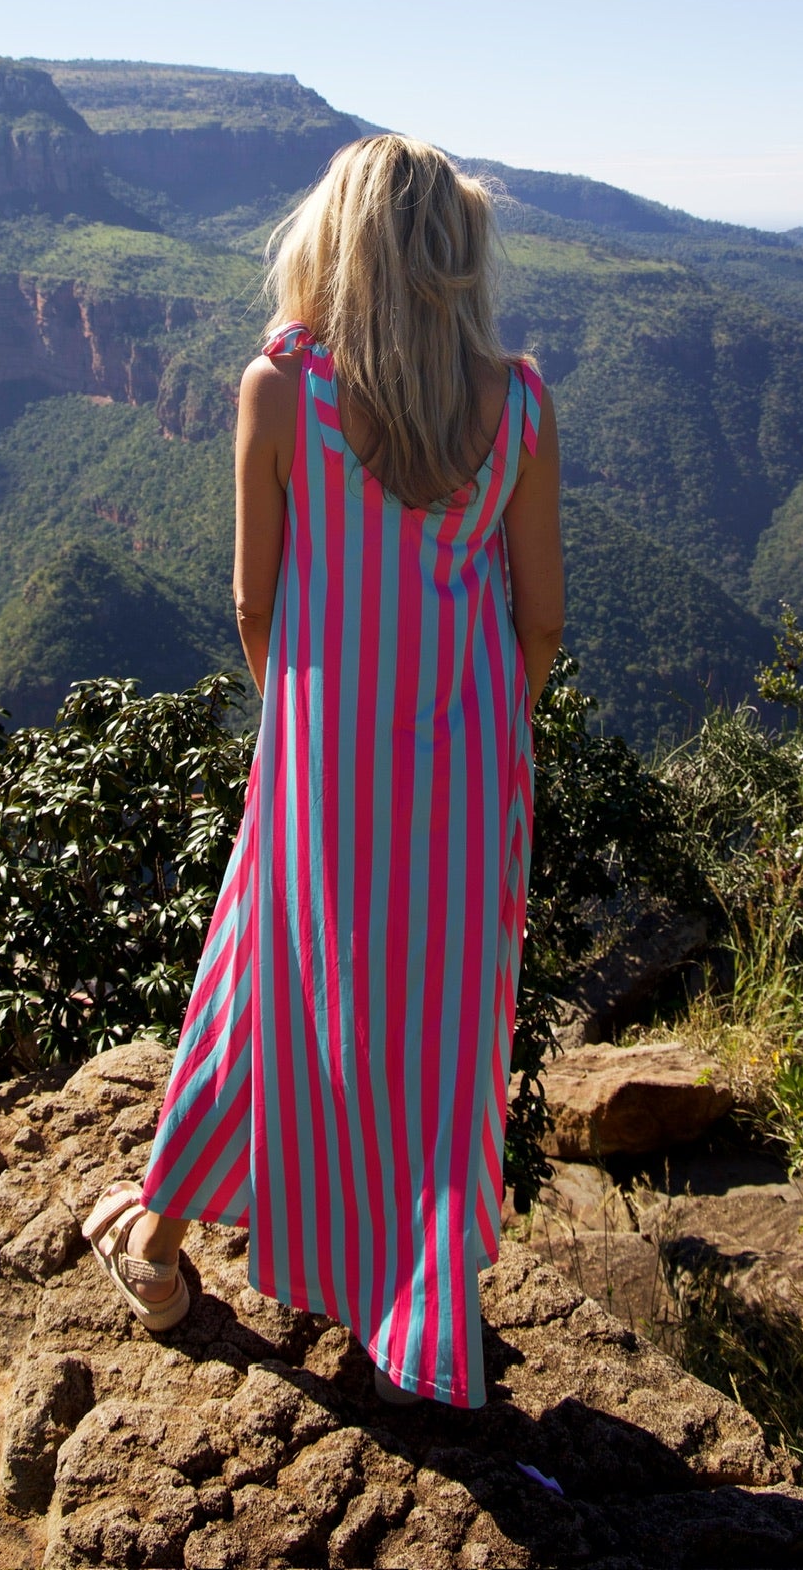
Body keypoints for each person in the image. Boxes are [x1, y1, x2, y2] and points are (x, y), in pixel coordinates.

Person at [81, 134, 564, 1408]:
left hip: (318, 757)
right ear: (457, 255)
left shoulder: (281, 388)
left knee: (266, 988)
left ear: (332, 241)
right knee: (437, 1036)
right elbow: (542, 618)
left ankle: (160, 1244)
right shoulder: (517, 403)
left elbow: (255, 601)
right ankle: (418, 1309)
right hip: (465, 767)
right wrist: (483, 728)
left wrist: (307, 716)